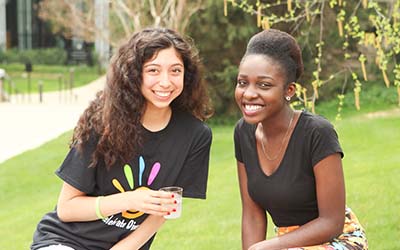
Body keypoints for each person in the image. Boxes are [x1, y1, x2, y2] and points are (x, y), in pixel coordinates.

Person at [31, 27, 213, 250]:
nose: (166, 82)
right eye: (153, 70)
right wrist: (130, 200)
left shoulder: (196, 135)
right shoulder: (102, 122)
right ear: (134, 75)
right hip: (65, 240)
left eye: (175, 70)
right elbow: (67, 209)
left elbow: (164, 210)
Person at [233, 29, 368, 250]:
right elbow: (252, 213)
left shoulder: (317, 133)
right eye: (242, 82)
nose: (248, 93)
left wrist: (264, 247)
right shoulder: (243, 133)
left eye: (264, 85)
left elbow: (331, 223)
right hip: (287, 244)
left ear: (289, 90)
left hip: (338, 239)